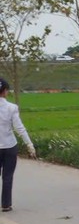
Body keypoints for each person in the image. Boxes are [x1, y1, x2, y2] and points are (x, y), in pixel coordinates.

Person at [0, 77, 36, 212]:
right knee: (7, 176)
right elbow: (19, 128)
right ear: (5, 91)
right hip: (10, 146)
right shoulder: (11, 108)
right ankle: (6, 204)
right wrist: (29, 144)